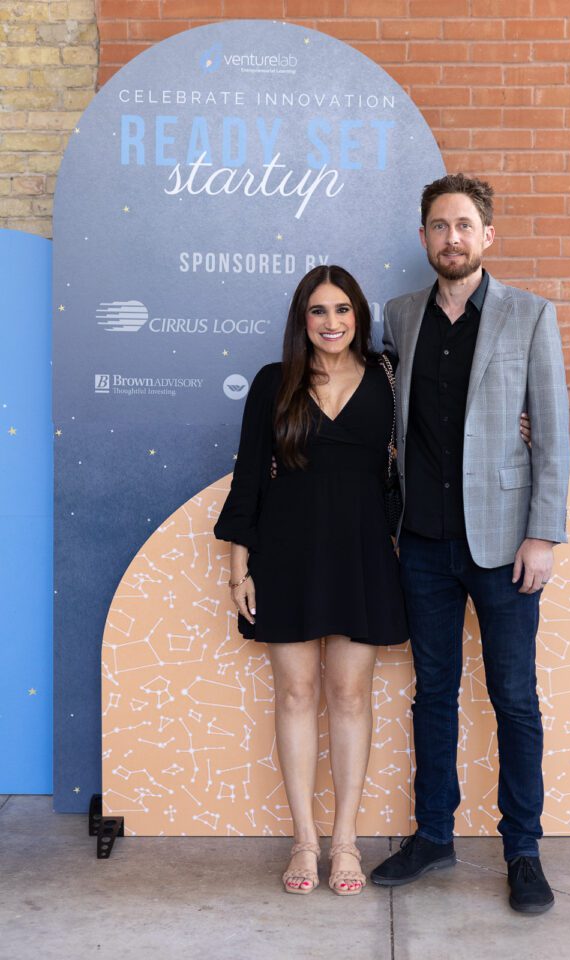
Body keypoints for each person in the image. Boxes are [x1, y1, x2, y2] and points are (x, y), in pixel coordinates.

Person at [371, 173, 570, 915]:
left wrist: (542, 535)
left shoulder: (530, 315)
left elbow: (551, 436)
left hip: (505, 547)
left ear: (487, 236)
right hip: (421, 543)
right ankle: (433, 835)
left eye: (463, 226)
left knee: (514, 699)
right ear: (423, 237)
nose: (450, 238)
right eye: (437, 226)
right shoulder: (399, 315)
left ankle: (523, 849)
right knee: (433, 696)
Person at [214, 264, 409, 896]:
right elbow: (250, 477)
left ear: (360, 315)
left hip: (361, 554)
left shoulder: (387, 376)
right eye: (319, 311)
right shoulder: (275, 382)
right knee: (296, 695)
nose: (332, 323)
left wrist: (512, 432)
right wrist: (239, 567)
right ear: (304, 320)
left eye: (342, 310)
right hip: (286, 554)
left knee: (350, 696)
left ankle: (346, 842)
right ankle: (304, 842)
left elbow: (436, 436)